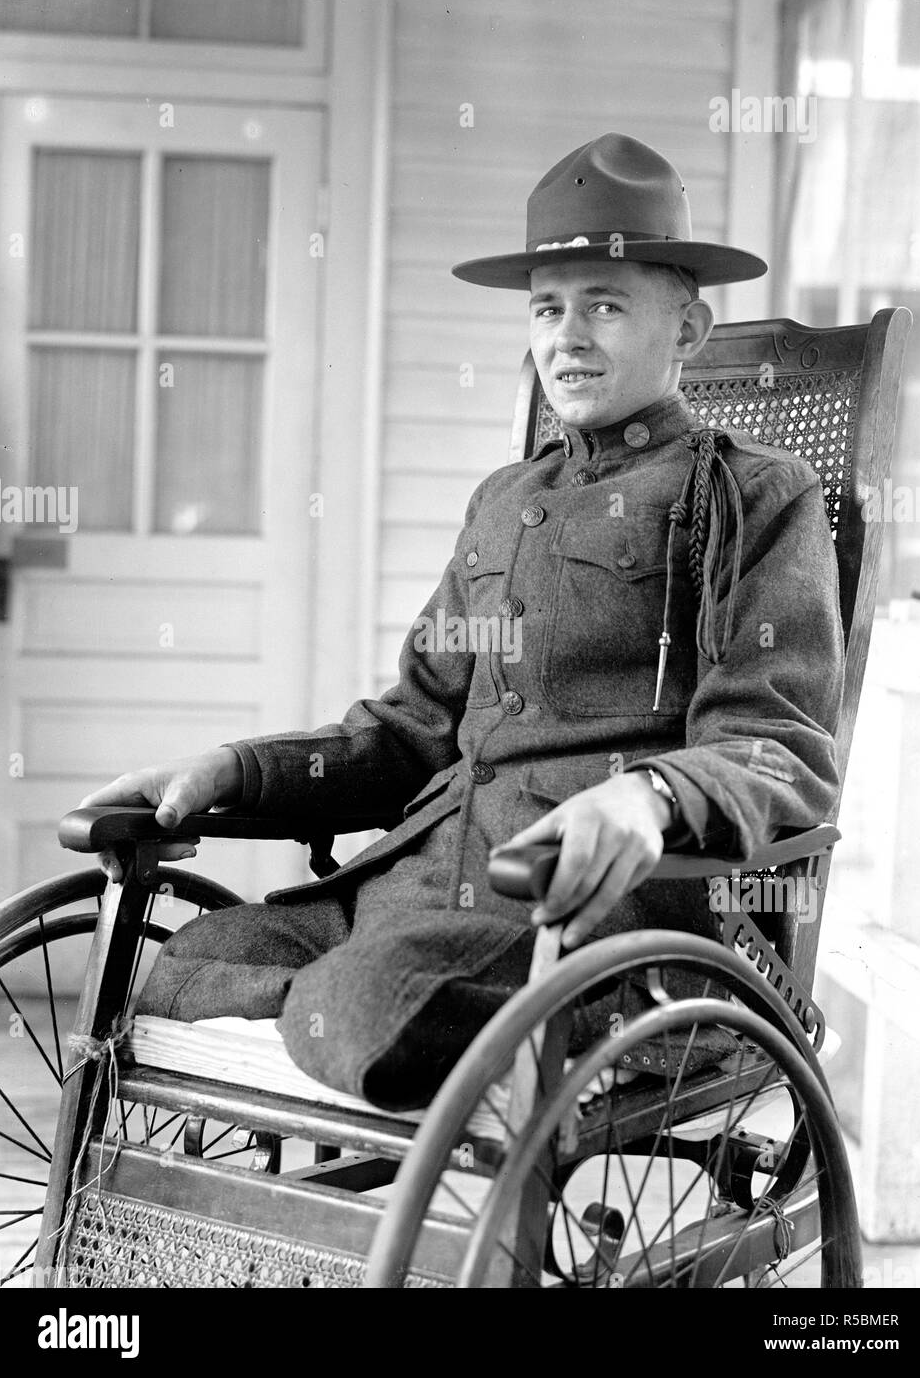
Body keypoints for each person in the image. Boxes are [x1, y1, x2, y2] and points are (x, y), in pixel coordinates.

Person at [81, 135, 844, 1110]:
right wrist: (236, 769)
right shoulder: (502, 498)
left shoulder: (753, 493)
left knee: (358, 1003)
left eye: (604, 305)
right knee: (189, 964)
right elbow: (413, 728)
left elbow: (776, 745)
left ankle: (373, 1026)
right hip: (411, 893)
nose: (567, 336)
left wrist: (645, 796)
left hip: (590, 911)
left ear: (686, 328)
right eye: (546, 308)